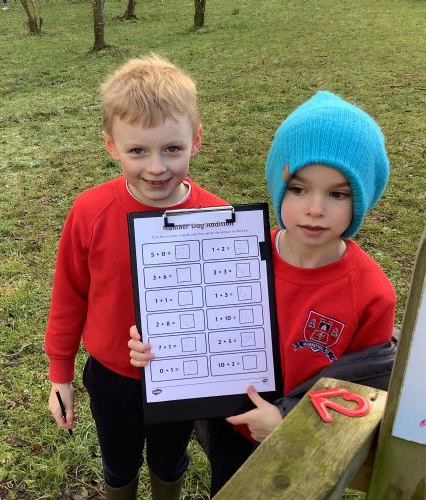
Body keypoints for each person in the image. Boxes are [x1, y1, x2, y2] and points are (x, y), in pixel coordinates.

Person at [128, 91, 397, 496]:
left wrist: (288, 420)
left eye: (338, 193)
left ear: (361, 198)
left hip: (307, 442)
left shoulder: (372, 292)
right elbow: (200, 320)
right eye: (299, 189)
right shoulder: (235, 254)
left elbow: (362, 389)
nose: (315, 208)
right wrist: (159, 346)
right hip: (233, 427)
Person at [45, 54, 227, 500]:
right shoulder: (90, 211)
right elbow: (69, 295)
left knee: (169, 459)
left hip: (181, 378)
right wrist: (60, 373)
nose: (156, 167)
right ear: (112, 146)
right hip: (111, 376)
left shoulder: (218, 217)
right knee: (118, 462)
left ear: (196, 140)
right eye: (138, 151)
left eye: (172, 149)